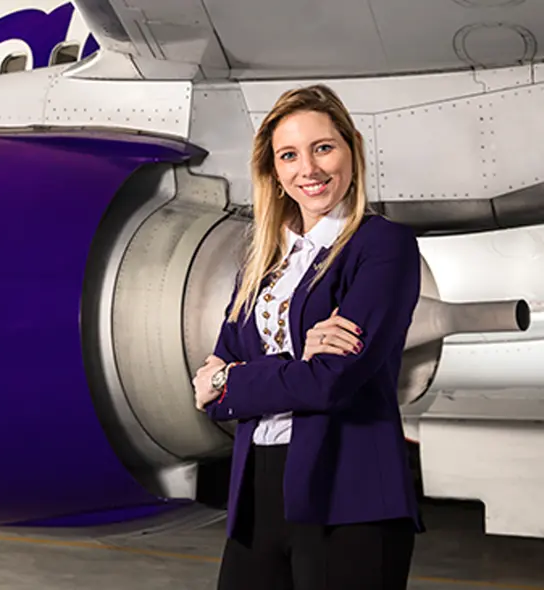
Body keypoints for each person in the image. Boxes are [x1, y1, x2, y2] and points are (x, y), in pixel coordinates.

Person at [191, 84, 423, 590]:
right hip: (257, 494)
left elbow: (330, 382)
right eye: (289, 155)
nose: (309, 170)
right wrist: (265, 372)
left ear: (351, 149)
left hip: (351, 495)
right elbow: (211, 395)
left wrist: (233, 380)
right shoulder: (263, 261)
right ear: (273, 172)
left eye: (323, 148)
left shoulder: (383, 246)